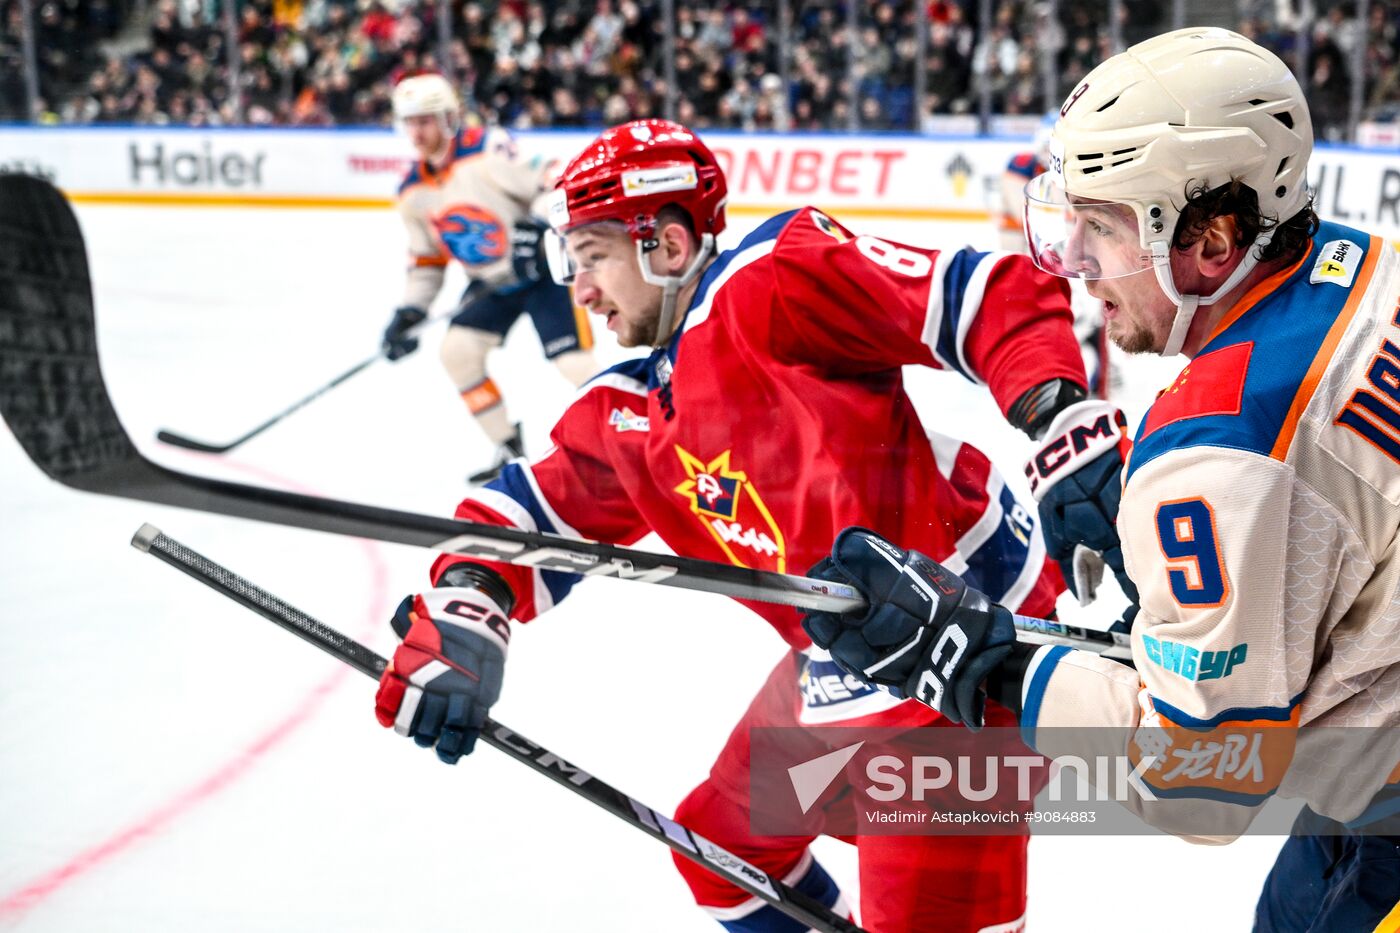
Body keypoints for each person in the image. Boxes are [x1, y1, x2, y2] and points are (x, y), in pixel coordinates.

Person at [371, 118, 1093, 932]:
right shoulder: (633, 410)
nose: (580, 290)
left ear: (668, 246)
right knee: (721, 851)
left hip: (965, 655)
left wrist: (1060, 422)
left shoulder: (775, 281)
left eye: (594, 257)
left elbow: (985, 295)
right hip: (851, 660)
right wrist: (471, 603)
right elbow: (532, 509)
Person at [801, 28, 1400, 932]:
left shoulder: (1218, 445)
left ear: (1212, 237)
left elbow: (1203, 778)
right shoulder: (1368, 267)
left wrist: (993, 669)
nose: (1074, 264)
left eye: (1106, 227)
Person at [381, 73, 598, 483]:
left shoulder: (485, 148)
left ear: (448, 118)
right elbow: (427, 260)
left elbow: (553, 179)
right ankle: (509, 450)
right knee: (457, 353)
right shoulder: (411, 191)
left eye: (425, 120)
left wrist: (535, 226)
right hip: (490, 282)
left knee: (574, 363)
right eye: (409, 122)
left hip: (542, 271)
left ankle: (633, 444)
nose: (417, 131)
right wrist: (410, 311)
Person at [998, 110, 1111, 399]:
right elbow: (1019, 208)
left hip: (1054, 246)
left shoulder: (1069, 171)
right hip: (1021, 243)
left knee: (1079, 306)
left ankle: (1089, 361)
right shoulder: (1021, 165)